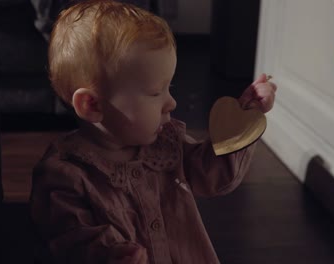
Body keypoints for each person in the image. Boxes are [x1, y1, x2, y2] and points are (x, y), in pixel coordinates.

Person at [29, 0, 277, 263]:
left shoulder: (167, 144)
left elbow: (216, 174)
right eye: (156, 92)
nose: (171, 103)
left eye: (169, 88)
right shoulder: (65, 176)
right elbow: (72, 239)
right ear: (93, 105)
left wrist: (246, 115)